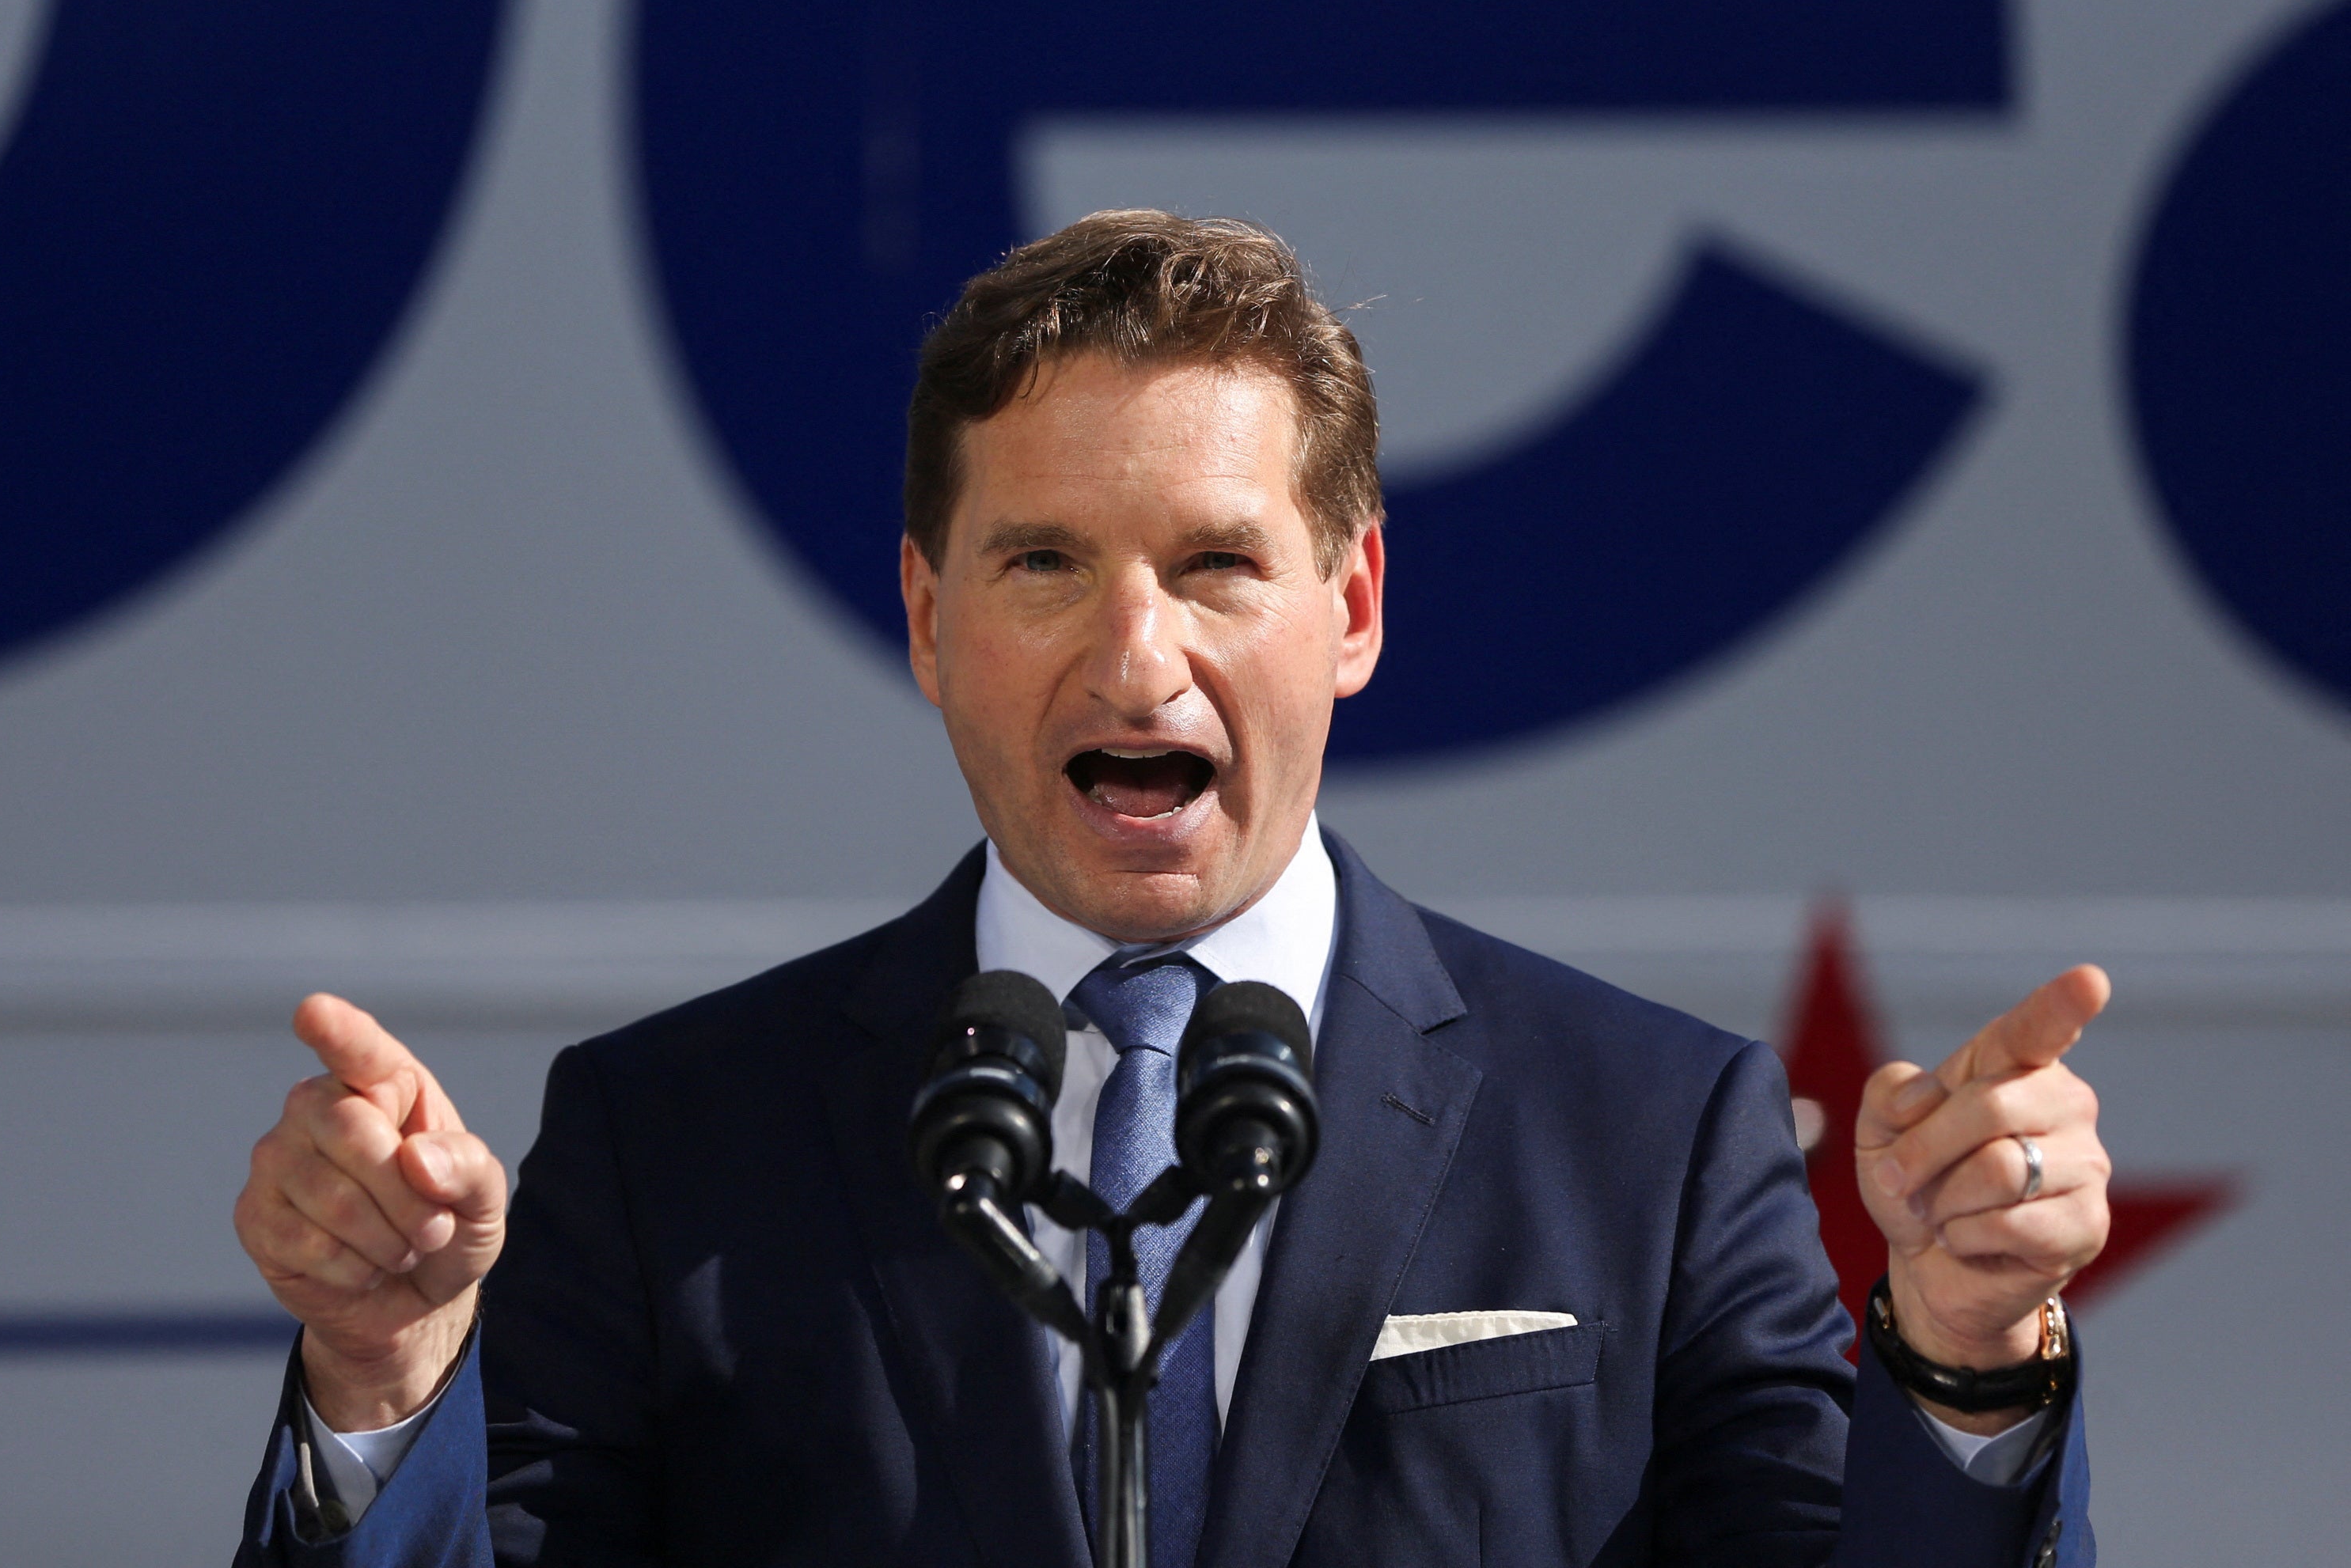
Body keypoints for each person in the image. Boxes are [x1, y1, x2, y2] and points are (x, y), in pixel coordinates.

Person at [233, 212, 2110, 1567]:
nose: (1138, 666)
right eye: (1045, 561)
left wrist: (1962, 1367)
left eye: (1217, 565)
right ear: (926, 617)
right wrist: (389, 1372)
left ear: (1353, 609)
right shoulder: (671, 1141)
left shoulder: (1648, 1130)